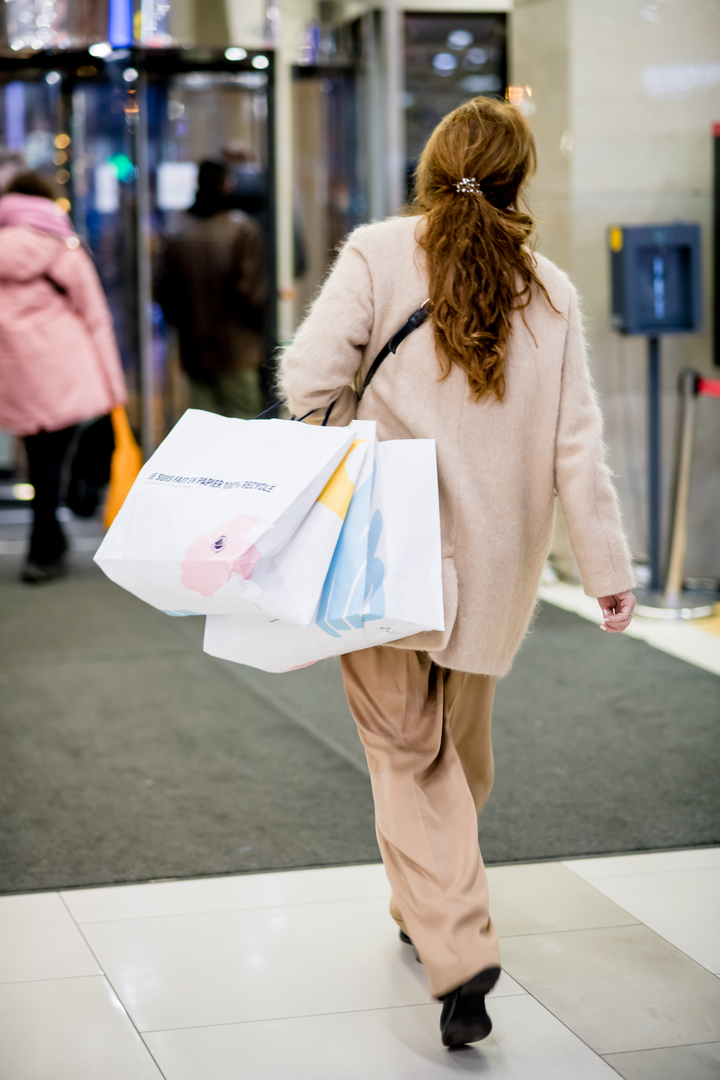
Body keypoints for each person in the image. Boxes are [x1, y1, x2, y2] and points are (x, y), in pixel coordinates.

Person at [280, 98, 636, 1048]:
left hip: (386, 554)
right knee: (461, 755)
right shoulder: (550, 290)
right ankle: (429, 904)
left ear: (432, 169)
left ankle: (457, 943)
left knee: (405, 751)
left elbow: (308, 382)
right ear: (521, 181)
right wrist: (606, 567)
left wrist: (364, 444)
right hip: (497, 570)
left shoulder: (379, 253)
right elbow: (576, 450)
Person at [0, 171, 127, 583]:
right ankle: (46, 543)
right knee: (53, 458)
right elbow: (97, 320)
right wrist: (115, 388)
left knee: (39, 459)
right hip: (65, 371)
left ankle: (48, 543)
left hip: (16, 374)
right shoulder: (65, 250)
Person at [158, 160, 266, 420]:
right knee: (244, 425)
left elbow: (165, 295)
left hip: (194, 351)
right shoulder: (242, 230)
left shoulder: (178, 233)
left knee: (205, 429)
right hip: (237, 351)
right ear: (226, 185)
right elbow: (252, 294)